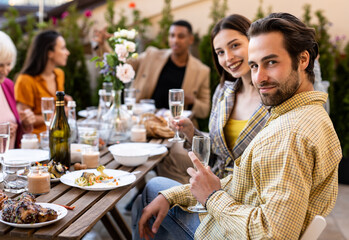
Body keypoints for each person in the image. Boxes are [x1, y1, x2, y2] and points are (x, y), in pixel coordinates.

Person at [132, 12, 342, 239]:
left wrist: (212, 197)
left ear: (303, 60)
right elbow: (241, 180)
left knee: (150, 192)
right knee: (162, 191)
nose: (259, 78)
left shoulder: (288, 133)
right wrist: (181, 194)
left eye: (271, 62)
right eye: (254, 65)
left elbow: (273, 235)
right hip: (232, 202)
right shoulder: (298, 113)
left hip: (226, 227)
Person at [158, 14, 269, 182]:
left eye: (235, 45)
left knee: (152, 192)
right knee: (155, 184)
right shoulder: (224, 91)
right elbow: (219, 153)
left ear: (253, 40)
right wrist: (191, 132)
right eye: (220, 52)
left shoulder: (272, 95)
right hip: (215, 182)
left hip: (245, 194)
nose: (228, 57)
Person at [14, 30, 72, 137]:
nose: (67, 52)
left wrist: (66, 103)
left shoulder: (59, 75)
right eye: (63, 48)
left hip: (58, 135)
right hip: (36, 140)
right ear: (49, 53)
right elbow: (25, 119)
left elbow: (57, 105)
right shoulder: (25, 80)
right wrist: (59, 113)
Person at [0, 31, 35, 148]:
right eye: (0, 65)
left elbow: (16, 135)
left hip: (9, 162)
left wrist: (24, 123)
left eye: (8, 64)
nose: (5, 71)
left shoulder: (7, 85)